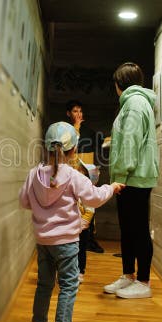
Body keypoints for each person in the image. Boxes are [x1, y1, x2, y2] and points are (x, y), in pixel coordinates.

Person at [19, 121, 124, 322]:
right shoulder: (73, 176)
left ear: (45, 147)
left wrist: (42, 211)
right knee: (68, 286)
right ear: (74, 150)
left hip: (43, 242)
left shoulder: (33, 174)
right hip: (66, 242)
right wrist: (111, 187)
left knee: (45, 284)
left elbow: (24, 201)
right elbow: (95, 198)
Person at [104, 62, 159, 299]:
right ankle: (128, 276)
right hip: (132, 176)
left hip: (133, 177)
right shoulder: (134, 102)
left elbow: (130, 143)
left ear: (119, 84)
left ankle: (144, 282)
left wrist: (120, 177)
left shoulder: (134, 104)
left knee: (137, 230)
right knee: (127, 228)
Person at [65, 99, 106, 254]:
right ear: (68, 113)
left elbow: (102, 143)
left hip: (86, 173)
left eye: (80, 111)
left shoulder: (89, 131)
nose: (79, 114)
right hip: (70, 174)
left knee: (89, 207)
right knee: (73, 206)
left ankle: (89, 240)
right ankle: (72, 240)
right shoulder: (65, 130)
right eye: (75, 111)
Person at [75, 159, 100, 283]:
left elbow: (90, 211)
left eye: (81, 172)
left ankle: (80, 271)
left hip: (82, 228)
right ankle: (70, 271)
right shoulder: (77, 189)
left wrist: (81, 226)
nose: (78, 172)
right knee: (72, 250)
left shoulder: (88, 193)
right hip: (73, 226)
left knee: (80, 250)